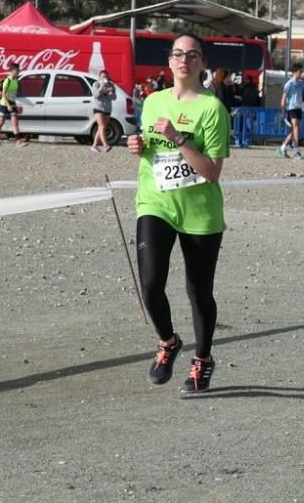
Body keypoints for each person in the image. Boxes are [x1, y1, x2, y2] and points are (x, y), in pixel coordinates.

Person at [127, 33, 230, 394]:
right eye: (177, 54)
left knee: (199, 292)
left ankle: (203, 360)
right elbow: (149, 151)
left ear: (202, 62)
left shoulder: (211, 109)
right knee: (151, 284)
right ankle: (168, 342)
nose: (183, 60)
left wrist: (179, 139)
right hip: (156, 203)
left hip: (199, 212)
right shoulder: (153, 101)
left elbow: (213, 171)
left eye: (192, 55)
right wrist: (137, 146)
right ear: (169, 62)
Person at [278, 64, 304, 159]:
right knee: (296, 127)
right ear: (294, 73)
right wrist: (282, 111)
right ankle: (297, 150)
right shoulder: (289, 84)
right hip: (291, 108)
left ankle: (283, 147)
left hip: (299, 108)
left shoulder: (301, 83)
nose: (301, 73)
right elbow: (283, 97)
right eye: (299, 72)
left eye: (301, 72)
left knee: (295, 130)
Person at [0, 63, 27, 147]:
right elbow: (4, 94)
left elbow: (14, 94)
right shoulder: (8, 80)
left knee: (15, 122)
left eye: (19, 70)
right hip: (4, 103)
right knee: (1, 121)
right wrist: (8, 105)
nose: (18, 71)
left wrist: (15, 105)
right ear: (11, 71)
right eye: (17, 70)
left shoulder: (16, 80)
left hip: (12, 103)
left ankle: (18, 140)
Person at [90, 70, 118, 152]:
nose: (105, 78)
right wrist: (101, 87)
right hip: (98, 108)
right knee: (101, 126)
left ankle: (94, 145)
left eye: (106, 77)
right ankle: (105, 145)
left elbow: (114, 98)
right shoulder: (96, 84)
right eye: (103, 77)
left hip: (107, 108)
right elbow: (95, 95)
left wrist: (111, 93)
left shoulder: (111, 85)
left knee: (102, 127)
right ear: (99, 77)